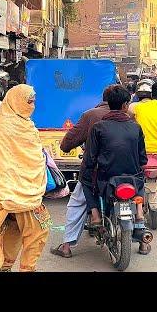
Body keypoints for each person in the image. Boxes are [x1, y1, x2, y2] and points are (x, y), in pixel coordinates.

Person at [0, 85, 51, 272]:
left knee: (14, 229)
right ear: (17, 101)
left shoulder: (21, 122)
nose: (32, 105)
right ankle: (27, 269)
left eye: (33, 101)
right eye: (29, 101)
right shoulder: (8, 125)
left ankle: (6, 266)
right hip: (18, 191)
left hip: (13, 190)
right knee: (39, 230)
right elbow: (11, 159)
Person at [81, 85, 150, 254]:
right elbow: (143, 158)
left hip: (106, 178)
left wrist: (88, 169)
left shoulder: (98, 127)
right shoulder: (136, 127)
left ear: (108, 103)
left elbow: (90, 159)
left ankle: (96, 215)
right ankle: (139, 216)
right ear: (126, 105)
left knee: (85, 179)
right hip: (132, 178)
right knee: (140, 181)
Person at [50, 86, 113, 259]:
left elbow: (68, 141)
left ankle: (67, 246)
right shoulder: (129, 117)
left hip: (95, 171)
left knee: (77, 202)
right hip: (124, 171)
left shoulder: (91, 115)